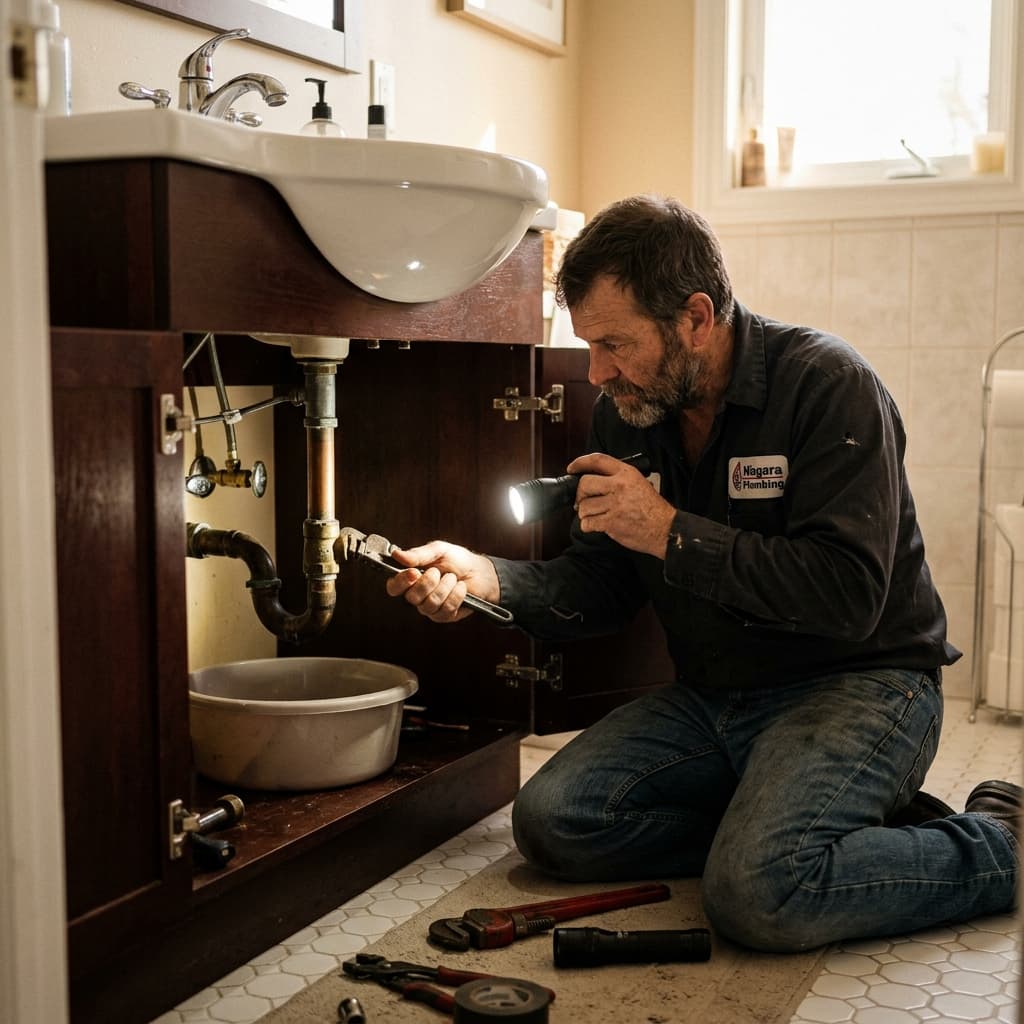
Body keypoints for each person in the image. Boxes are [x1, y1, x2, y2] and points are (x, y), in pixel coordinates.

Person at [384, 194, 1019, 953]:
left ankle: (1002, 841)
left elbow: (848, 597)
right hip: (716, 697)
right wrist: (486, 578)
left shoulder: (826, 386)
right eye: (589, 346)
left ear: (695, 317)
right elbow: (605, 588)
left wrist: (670, 531)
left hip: (860, 684)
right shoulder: (629, 414)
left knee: (758, 897)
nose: (596, 372)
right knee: (553, 822)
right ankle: (797, 828)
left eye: (614, 344)